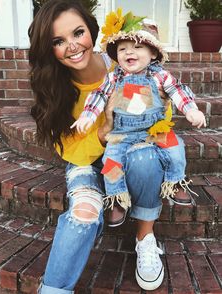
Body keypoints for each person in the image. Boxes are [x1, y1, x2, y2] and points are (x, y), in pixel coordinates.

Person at [29, 0, 179, 292]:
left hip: (131, 149)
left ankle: (144, 237)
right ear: (49, 50)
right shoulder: (55, 87)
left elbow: (160, 114)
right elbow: (69, 151)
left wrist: (156, 105)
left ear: (92, 30)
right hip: (85, 159)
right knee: (83, 210)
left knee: (146, 157)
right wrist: (104, 130)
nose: (72, 46)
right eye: (58, 41)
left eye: (78, 33)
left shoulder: (122, 62)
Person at [71, 10, 206, 226]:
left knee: (175, 147)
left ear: (152, 54)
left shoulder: (159, 75)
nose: (128, 52)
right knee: (110, 162)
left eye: (136, 48)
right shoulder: (114, 77)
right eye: (122, 49)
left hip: (154, 130)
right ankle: (117, 197)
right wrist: (89, 115)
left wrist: (190, 110)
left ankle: (175, 181)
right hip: (121, 134)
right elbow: (99, 95)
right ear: (117, 57)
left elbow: (177, 90)